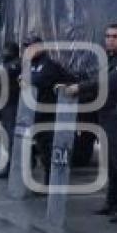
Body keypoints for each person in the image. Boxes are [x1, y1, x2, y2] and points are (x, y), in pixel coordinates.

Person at [65, 23, 117, 223]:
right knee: (111, 162)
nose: (110, 40)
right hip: (105, 115)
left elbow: (108, 82)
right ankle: (111, 202)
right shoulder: (110, 60)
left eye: (115, 36)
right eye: (107, 36)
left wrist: (79, 87)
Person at [26, 36, 75, 185]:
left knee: (48, 150)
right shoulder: (31, 64)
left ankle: (50, 182)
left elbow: (39, 81)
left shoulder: (48, 65)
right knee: (37, 147)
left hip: (48, 114)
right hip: (34, 113)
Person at [0, 42, 21, 179]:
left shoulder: (14, 65)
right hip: (8, 103)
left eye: (6, 50)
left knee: (11, 137)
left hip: (12, 103)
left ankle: (12, 166)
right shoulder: (10, 64)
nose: (3, 53)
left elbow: (3, 77)